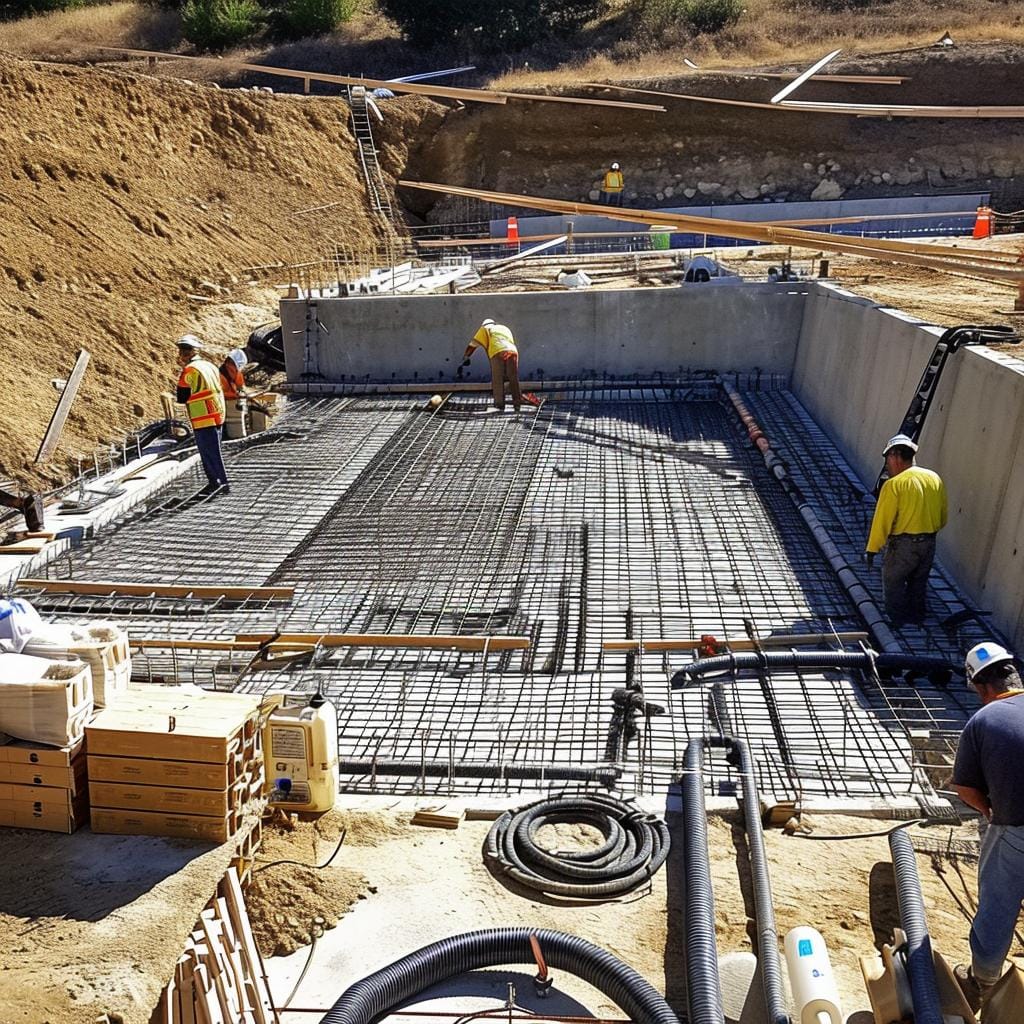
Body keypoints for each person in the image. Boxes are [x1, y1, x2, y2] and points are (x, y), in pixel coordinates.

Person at [952, 641, 1024, 1010]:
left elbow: (965, 787)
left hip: (1016, 827)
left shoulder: (983, 720)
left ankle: (982, 981)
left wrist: (988, 811)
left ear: (980, 686)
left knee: (998, 903)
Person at [864, 434, 947, 625]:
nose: (887, 465)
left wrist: (872, 549)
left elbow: (882, 521)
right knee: (918, 582)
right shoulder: (934, 478)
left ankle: (897, 622)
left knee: (893, 582)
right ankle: (918, 618)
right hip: (929, 543)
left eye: (887, 459)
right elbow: (943, 516)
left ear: (896, 456)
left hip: (903, 545)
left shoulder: (894, 485)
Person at [175, 335, 229, 495]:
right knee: (215, 451)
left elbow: (182, 397)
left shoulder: (190, 370)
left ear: (185, 354)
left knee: (209, 454)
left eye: (182, 352)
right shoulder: (209, 365)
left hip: (203, 417)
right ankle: (220, 482)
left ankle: (219, 484)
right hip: (217, 413)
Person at [461, 318, 522, 412]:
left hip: (497, 351)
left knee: (497, 379)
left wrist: (466, 357)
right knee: (513, 378)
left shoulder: (485, 329)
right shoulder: (504, 328)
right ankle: (517, 405)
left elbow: (473, 345)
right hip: (512, 351)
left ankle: (499, 405)